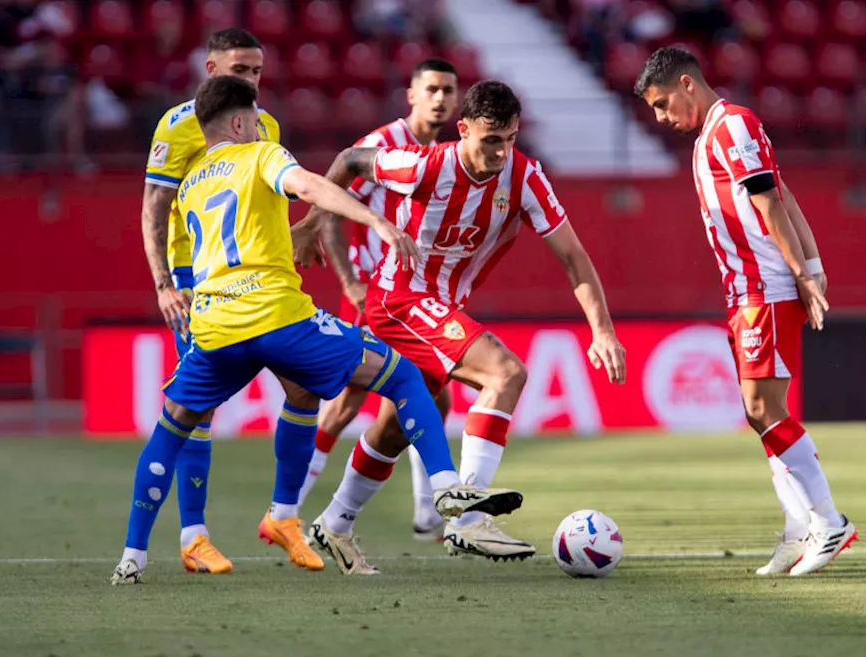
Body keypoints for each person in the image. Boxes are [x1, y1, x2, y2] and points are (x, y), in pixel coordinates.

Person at [111, 76, 523, 585]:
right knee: (401, 376)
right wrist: (375, 222)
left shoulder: (192, 182)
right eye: (255, 115)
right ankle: (444, 487)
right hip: (279, 316)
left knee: (174, 425)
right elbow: (309, 185)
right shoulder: (261, 153)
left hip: (213, 326)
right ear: (241, 122)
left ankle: (133, 555)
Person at [296, 80, 626, 573]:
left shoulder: (525, 178)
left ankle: (336, 522)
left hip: (436, 307)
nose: (501, 151)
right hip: (400, 299)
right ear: (464, 129)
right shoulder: (423, 165)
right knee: (506, 374)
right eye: (491, 140)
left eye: (510, 139)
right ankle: (468, 518)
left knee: (393, 430)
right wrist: (309, 221)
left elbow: (574, 258)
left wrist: (602, 330)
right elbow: (349, 159)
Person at [633, 47, 855, 577]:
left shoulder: (733, 126)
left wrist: (802, 271)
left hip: (765, 286)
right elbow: (782, 193)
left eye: (664, 105)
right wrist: (814, 261)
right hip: (744, 290)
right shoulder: (713, 135)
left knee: (762, 409)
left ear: (688, 84)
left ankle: (828, 520)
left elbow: (771, 204)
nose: (663, 119)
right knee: (760, 414)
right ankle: (799, 528)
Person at [137, 29, 280, 576]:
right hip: (194, 279)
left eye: (257, 71)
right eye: (240, 70)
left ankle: (284, 513)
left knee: (298, 381)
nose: (250, 81)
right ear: (211, 66)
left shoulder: (265, 127)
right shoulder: (178, 125)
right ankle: (192, 533)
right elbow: (154, 208)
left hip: (252, 279)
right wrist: (163, 284)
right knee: (195, 406)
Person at [300, 57, 460, 542]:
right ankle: (287, 510)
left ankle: (426, 513)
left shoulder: (442, 151)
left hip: (408, 295)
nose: (440, 98)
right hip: (374, 292)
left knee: (434, 394)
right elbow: (330, 197)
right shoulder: (381, 145)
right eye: (431, 88)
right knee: (349, 401)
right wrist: (349, 282)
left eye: (449, 91)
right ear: (412, 94)